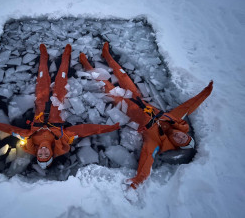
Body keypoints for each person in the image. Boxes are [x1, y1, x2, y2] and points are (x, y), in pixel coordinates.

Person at [79, 42, 213, 189]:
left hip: (125, 106)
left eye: (180, 141)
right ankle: (107, 55)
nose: (179, 137)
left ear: (175, 144)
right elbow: (189, 106)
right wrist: (205, 92)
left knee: (105, 84)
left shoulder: (154, 142)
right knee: (122, 74)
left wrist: (138, 180)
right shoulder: (175, 119)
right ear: (184, 133)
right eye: (184, 137)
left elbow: (146, 160)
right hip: (137, 98)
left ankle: (85, 63)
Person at [0, 44, 120, 169]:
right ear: (51, 153)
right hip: (57, 101)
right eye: (46, 154)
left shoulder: (29, 139)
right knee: (61, 77)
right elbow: (85, 130)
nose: (43, 151)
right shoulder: (62, 139)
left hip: (41, 102)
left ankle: (44, 55)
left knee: (42, 77)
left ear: (37, 152)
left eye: (40, 154)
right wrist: (109, 128)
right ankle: (66, 55)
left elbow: (9, 129)